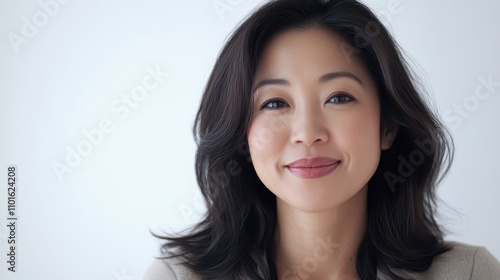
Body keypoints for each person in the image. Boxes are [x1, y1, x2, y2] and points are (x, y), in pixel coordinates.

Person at [144, 0, 500, 279]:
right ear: (242, 134)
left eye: (338, 97)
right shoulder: (177, 278)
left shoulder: (469, 273)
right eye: (275, 103)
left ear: (388, 127)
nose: (307, 133)